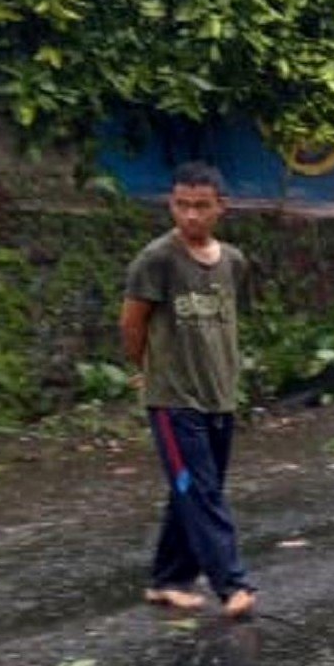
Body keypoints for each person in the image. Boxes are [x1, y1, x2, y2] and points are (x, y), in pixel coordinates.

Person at [120, 161, 257, 618]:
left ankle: (168, 579)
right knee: (200, 491)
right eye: (182, 205)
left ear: (222, 208)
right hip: (173, 401)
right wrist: (144, 370)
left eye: (202, 206)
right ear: (171, 205)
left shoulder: (233, 262)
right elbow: (132, 323)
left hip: (218, 395)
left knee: (199, 488)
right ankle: (232, 584)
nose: (191, 216)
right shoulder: (156, 260)